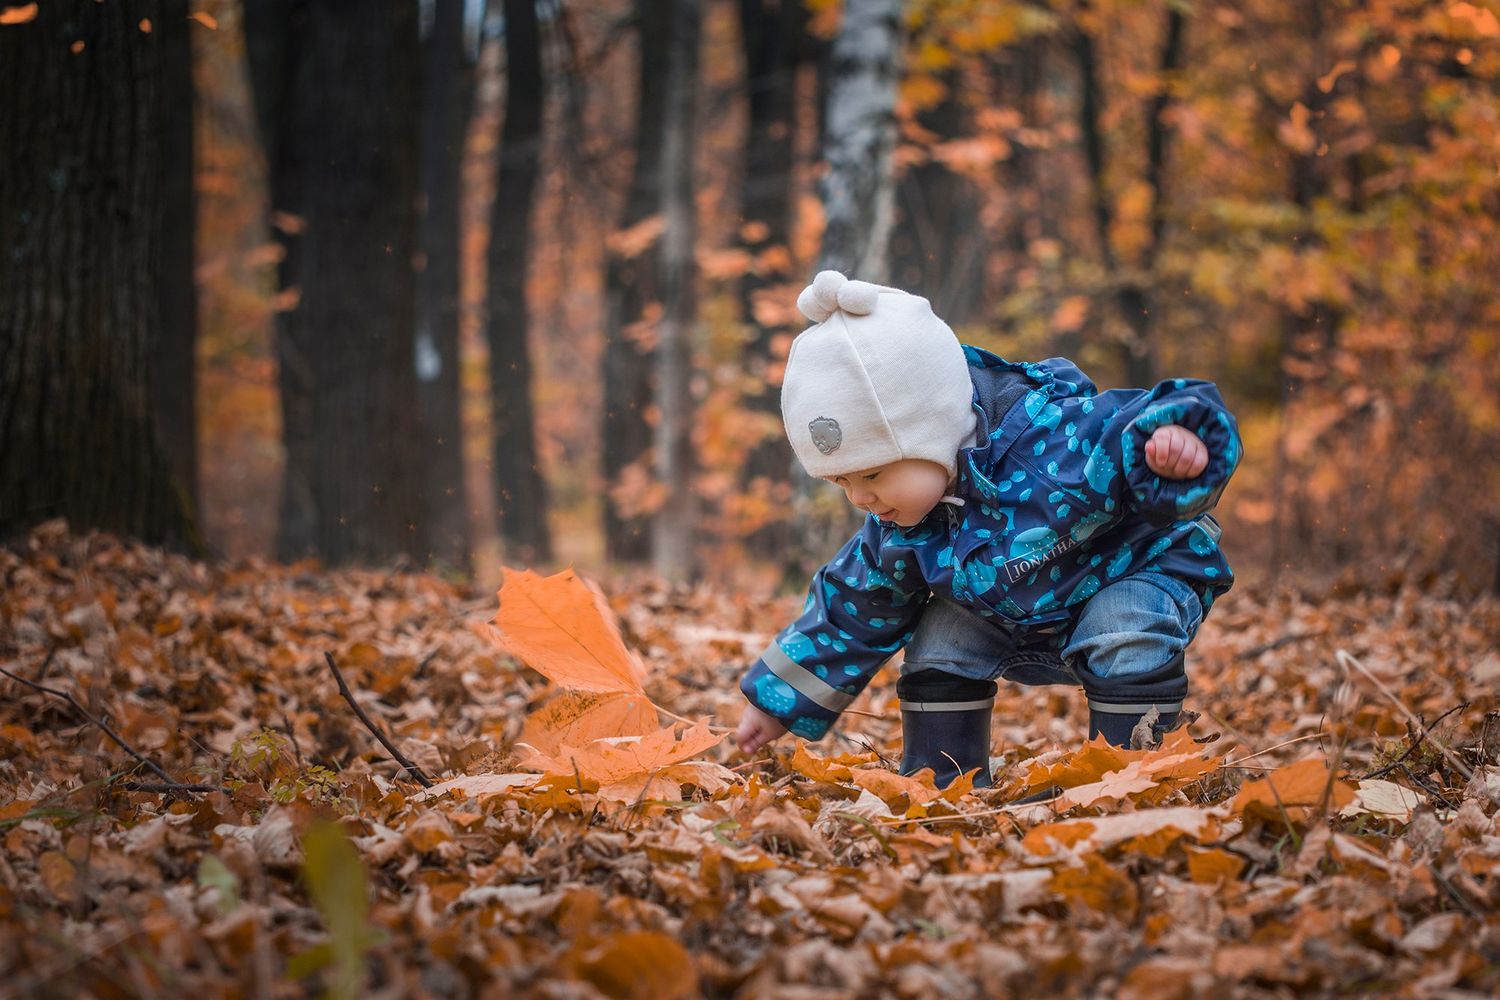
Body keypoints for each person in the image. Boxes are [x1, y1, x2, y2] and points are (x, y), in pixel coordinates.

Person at [735, 270, 1241, 787]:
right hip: (1012, 615)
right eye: (842, 481)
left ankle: (1134, 777)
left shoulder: (1059, 440)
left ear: (933, 433)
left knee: (1122, 623)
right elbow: (851, 610)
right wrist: (776, 702)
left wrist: (1178, 442)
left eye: (873, 474)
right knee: (939, 639)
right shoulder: (898, 527)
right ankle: (944, 781)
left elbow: (1138, 421)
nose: (859, 497)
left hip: (1133, 572)